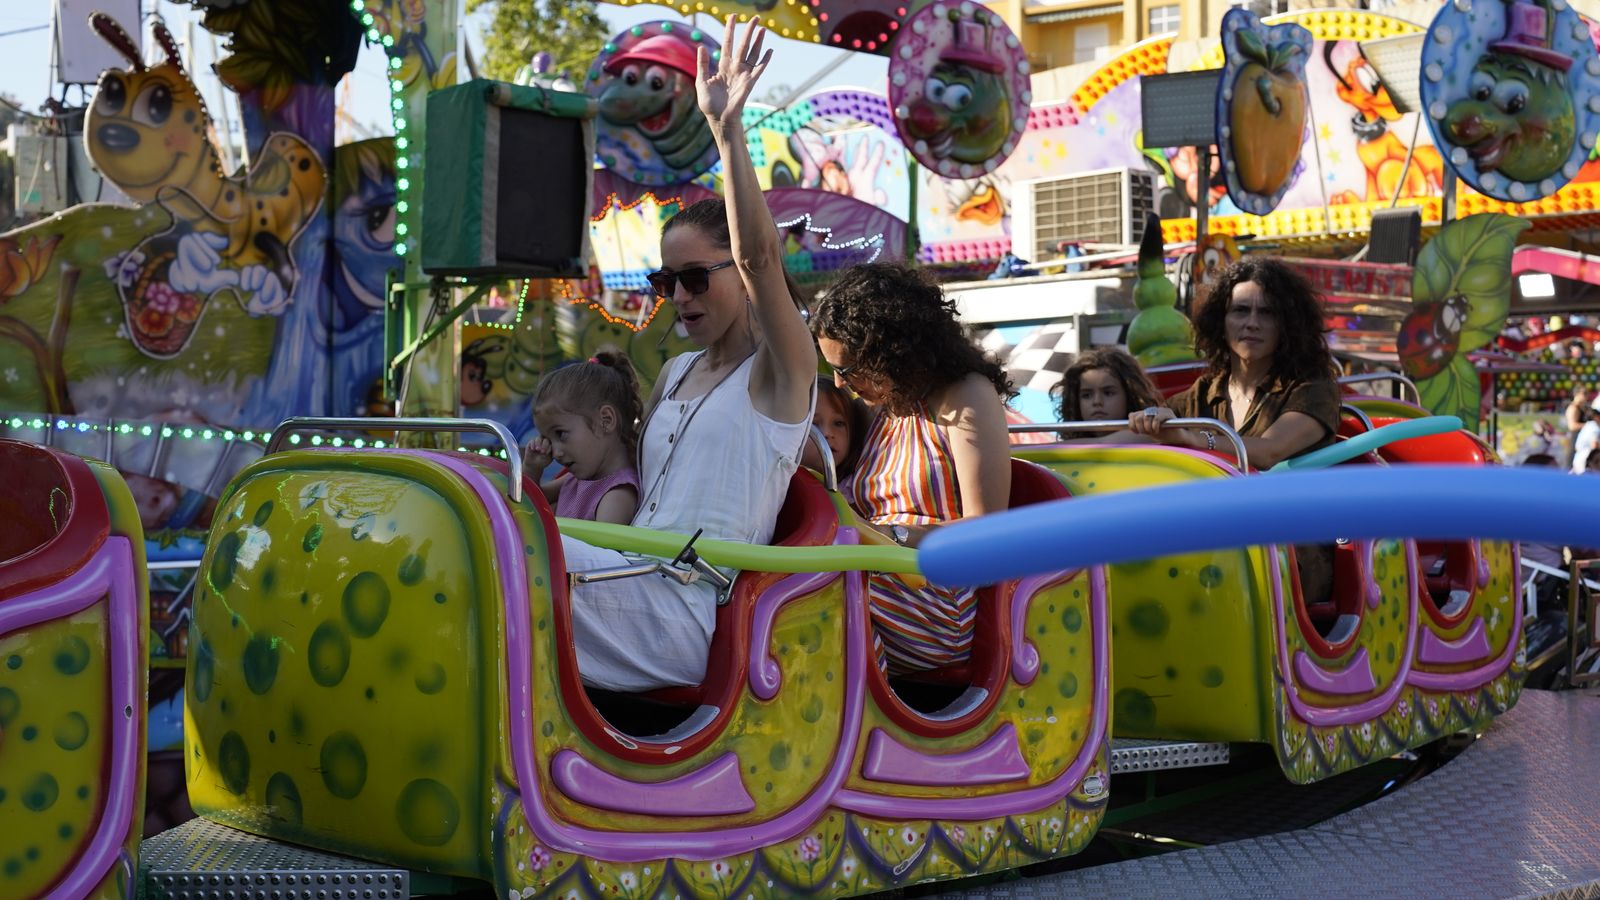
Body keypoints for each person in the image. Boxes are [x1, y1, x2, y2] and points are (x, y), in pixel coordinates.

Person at [556, 19, 817, 692]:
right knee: (495, 537)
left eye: (697, 278)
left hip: (683, 611)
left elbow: (761, 257)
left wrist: (727, 130)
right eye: (665, 282)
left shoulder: (781, 374)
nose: (679, 296)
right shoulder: (673, 372)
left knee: (510, 556)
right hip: (628, 577)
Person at [811, 262, 1013, 674]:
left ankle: (852, 726)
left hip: (940, 596)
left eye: (846, 369)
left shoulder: (965, 395)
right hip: (876, 574)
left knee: (813, 587)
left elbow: (989, 532)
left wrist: (890, 536)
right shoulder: (882, 408)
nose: (838, 384)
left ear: (888, 349)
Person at [1129, 256, 1341, 604]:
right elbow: (1134, 437)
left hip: (1289, 549)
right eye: (1240, 311)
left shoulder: (1312, 387)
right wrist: (1138, 423)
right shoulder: (1203, 392)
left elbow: (1271, 450)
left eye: (1268, 313)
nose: (1252, 323)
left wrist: (1191, 438)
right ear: (1221, 321)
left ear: (1287, 324)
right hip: (1209, 540)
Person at [522, 352, 643, 525]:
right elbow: (528, 503)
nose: (555, 453)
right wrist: (532, 469)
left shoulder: (617, 494)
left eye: (560, 434)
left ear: (606, 420)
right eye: (547, 439)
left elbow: (600, 552)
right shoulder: (578, 479)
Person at [1051, 347, 1163, 443]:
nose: (1097, 401)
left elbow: (1101, 445)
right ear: (1076, 402)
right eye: (1086, 395)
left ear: (1130, 396)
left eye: (1108, 393)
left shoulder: (1150, 434)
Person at [799, 375, 869, 479]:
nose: (827, 433)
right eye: (813, 424)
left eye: (838, 423)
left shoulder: (856, 486)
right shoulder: (777, 484)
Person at [1572, 398, 1600, 474]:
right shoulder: (1594, 427)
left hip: (1579, 459)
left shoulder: (1587, 426)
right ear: (1596, 417)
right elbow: (1594, 445)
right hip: (1586, 461)